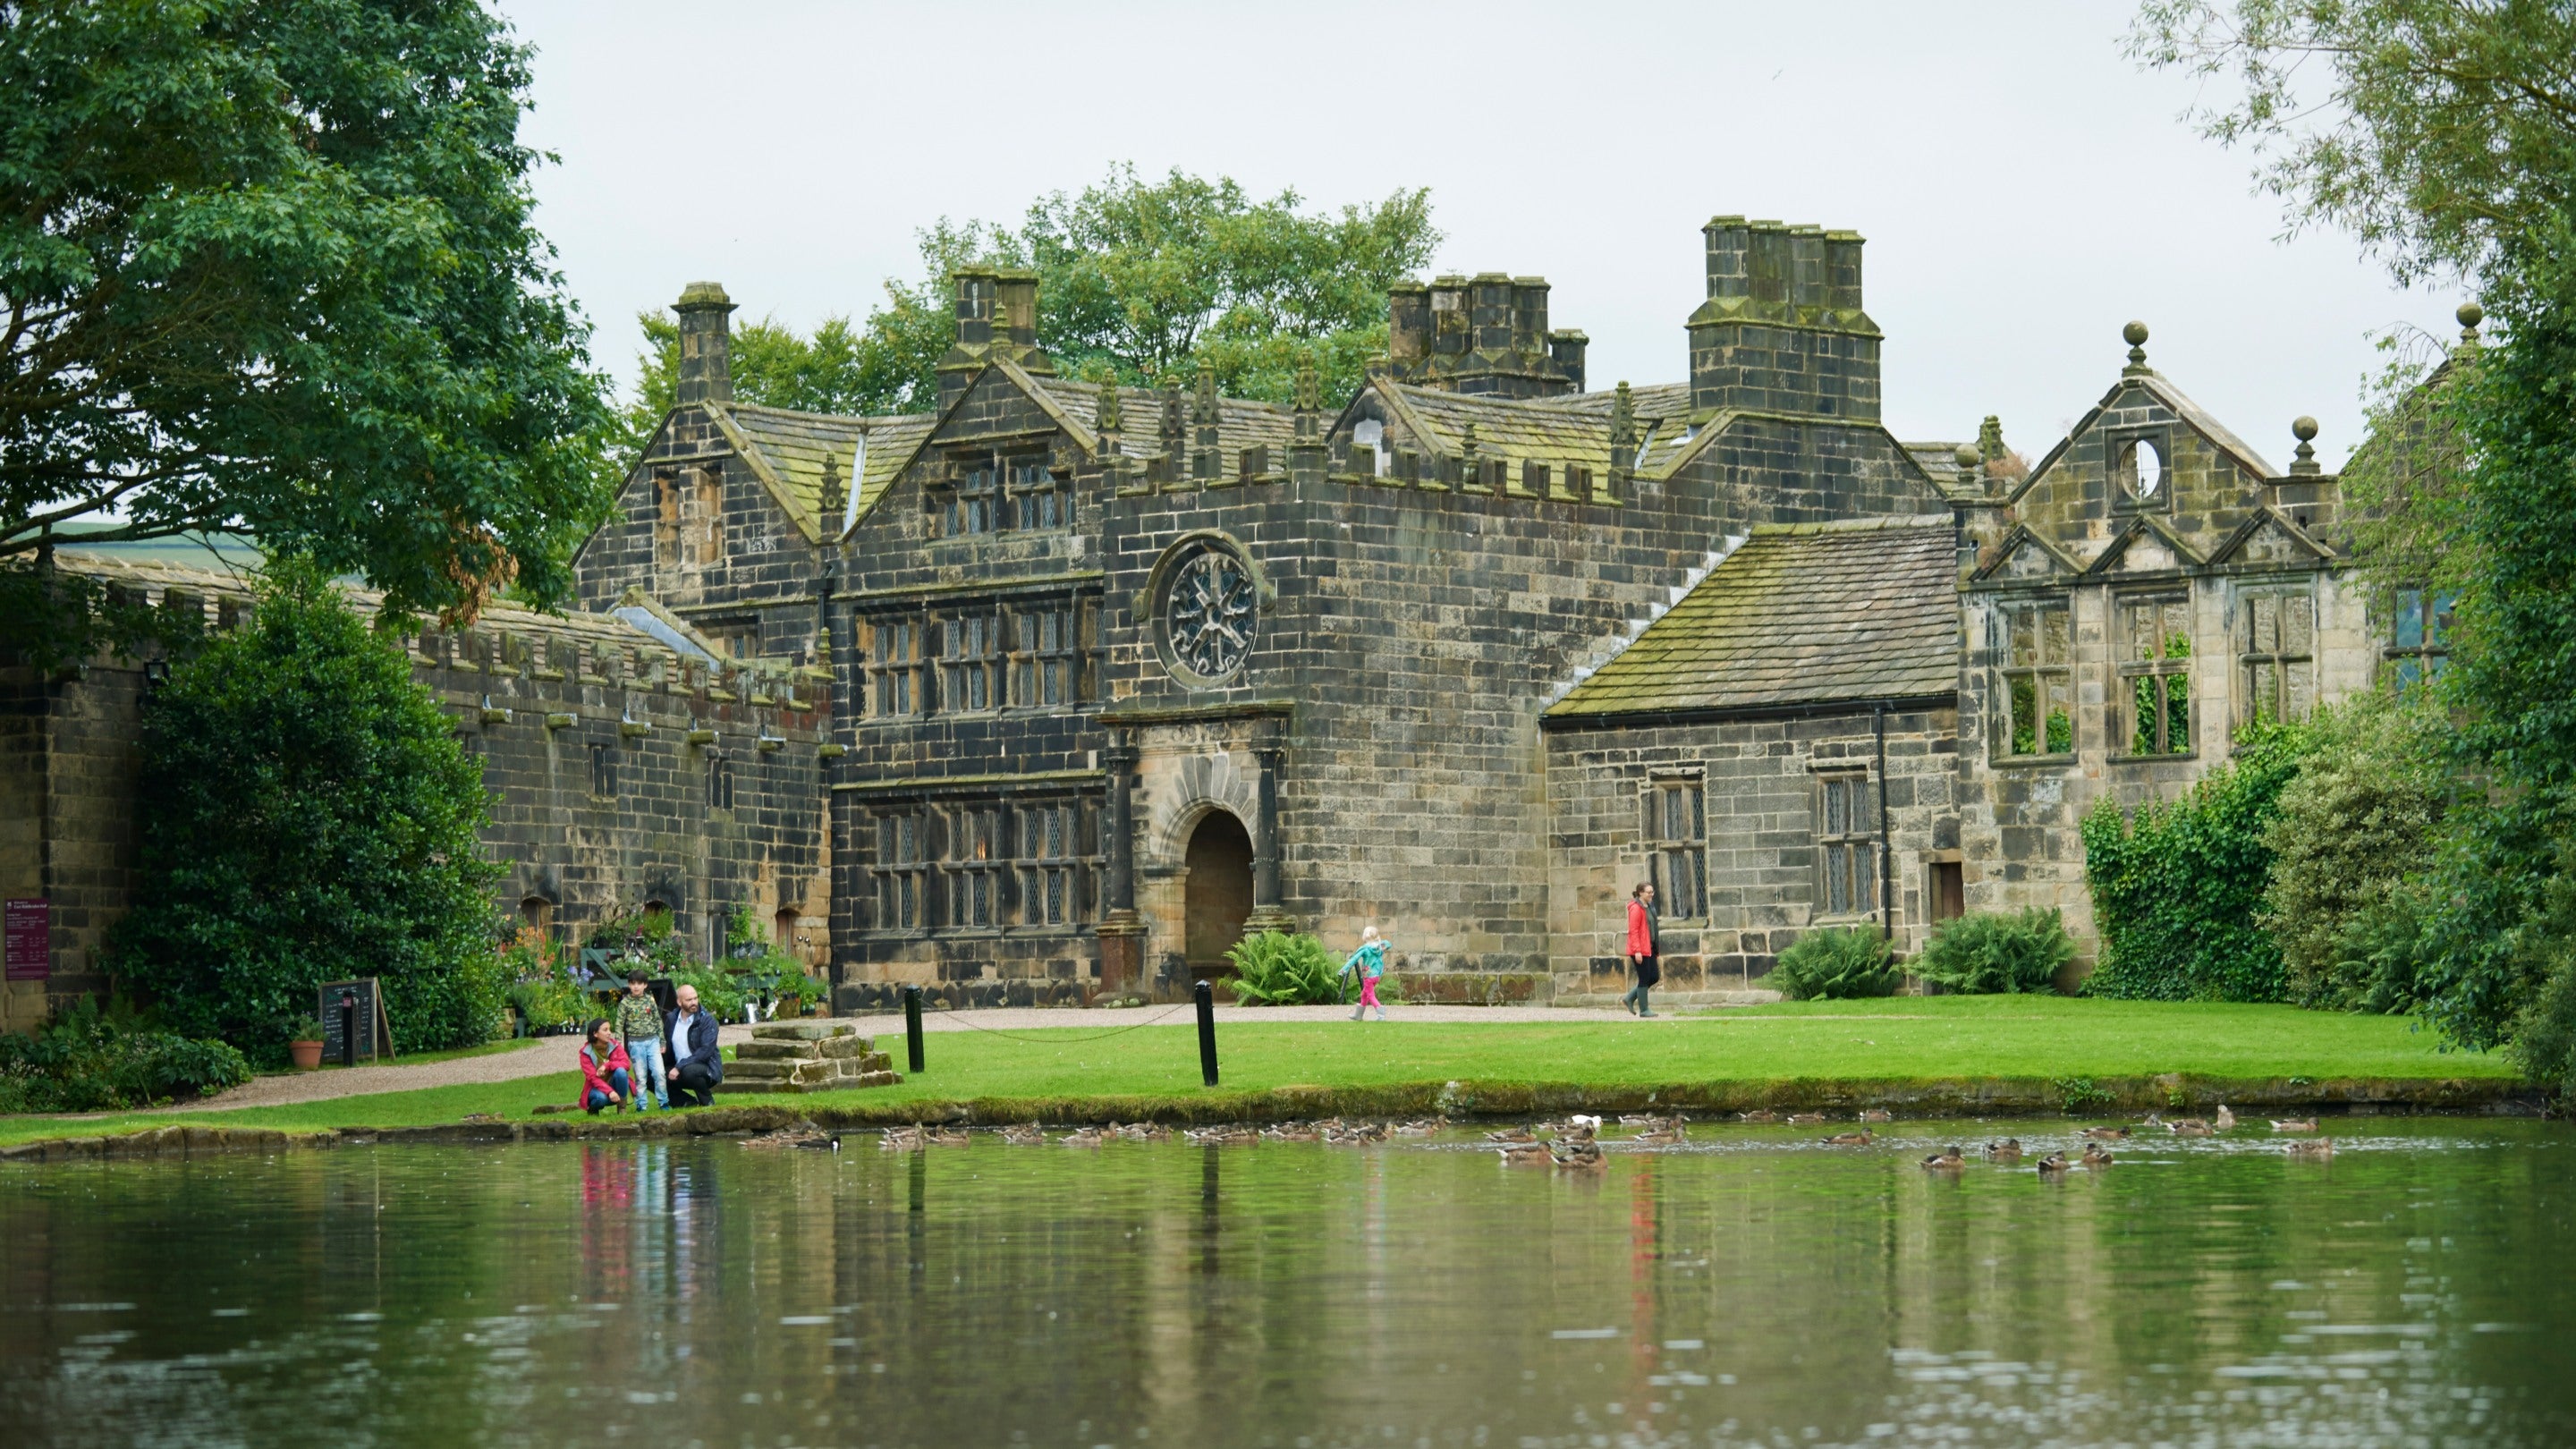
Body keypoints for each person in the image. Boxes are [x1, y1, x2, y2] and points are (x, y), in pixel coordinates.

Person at [616, 970, 668, 1111]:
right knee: (640, 1076)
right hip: (635, 1043)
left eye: (639, 983)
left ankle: (664, 1102)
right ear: (629, 985)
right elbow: (619, 1024)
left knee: (659, 1073)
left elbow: (658, 1021)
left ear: (645, 985)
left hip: (653, 1041)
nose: (636, 987)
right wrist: (617, 1044)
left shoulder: (650, 1000)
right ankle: (641, 1105)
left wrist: (662, 1041)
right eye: (633, 984)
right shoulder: (625, 1003)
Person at [664, 984, 724, 1107]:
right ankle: (684, 1102)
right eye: (689, 1000)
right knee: (651, 1074)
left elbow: (705, 1051)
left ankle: (707, 1101)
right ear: (679, 1002)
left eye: (695, 998)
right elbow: (666, 1046)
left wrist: (680, 1066)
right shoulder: (671, 1019)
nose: (694, 1002)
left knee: (689, 1071)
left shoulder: (707, 1020)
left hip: (706, 1069)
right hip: (678, 1068)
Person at [578, 1019, 632, 1114]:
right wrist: (610, 1092)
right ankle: (593, 1109)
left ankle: (622, 1109)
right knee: (600, 1098)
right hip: (596, 1088)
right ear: (595, 1034)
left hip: (614, 1084)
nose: (609, 1033)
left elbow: (626, 1064)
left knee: (621, 1072)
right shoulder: (585, 1053)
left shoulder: (615, 1045)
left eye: (610, 1029)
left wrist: (607, 1065)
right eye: (605, 1030)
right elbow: (593, 1078)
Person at [1623, 882, 1661, 1018]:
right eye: (1648, 892)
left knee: (1654, 977)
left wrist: (1655, 948)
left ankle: (1629, 998)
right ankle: (1644, 1010)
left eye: (1652, 892)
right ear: (1640, 893)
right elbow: (1633, 931)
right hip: (1639, 949)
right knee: (1644, 978)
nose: (1651, 894)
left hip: (1649, 948)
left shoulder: (1650, 906)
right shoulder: (1635, 908)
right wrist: (1637, 951)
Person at [1343, 926, 1390, 1022]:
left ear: (1365, 936)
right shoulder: (1378, 948)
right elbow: (1388, 944)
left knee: (1370, 996)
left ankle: (1381, 1014)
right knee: (1364, 995)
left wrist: (1345, 969)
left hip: (1368, 977)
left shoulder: (1365, 948)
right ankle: (1358, 1015)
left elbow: (1354, 959)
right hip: (1376, 976)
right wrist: (1378, 942)